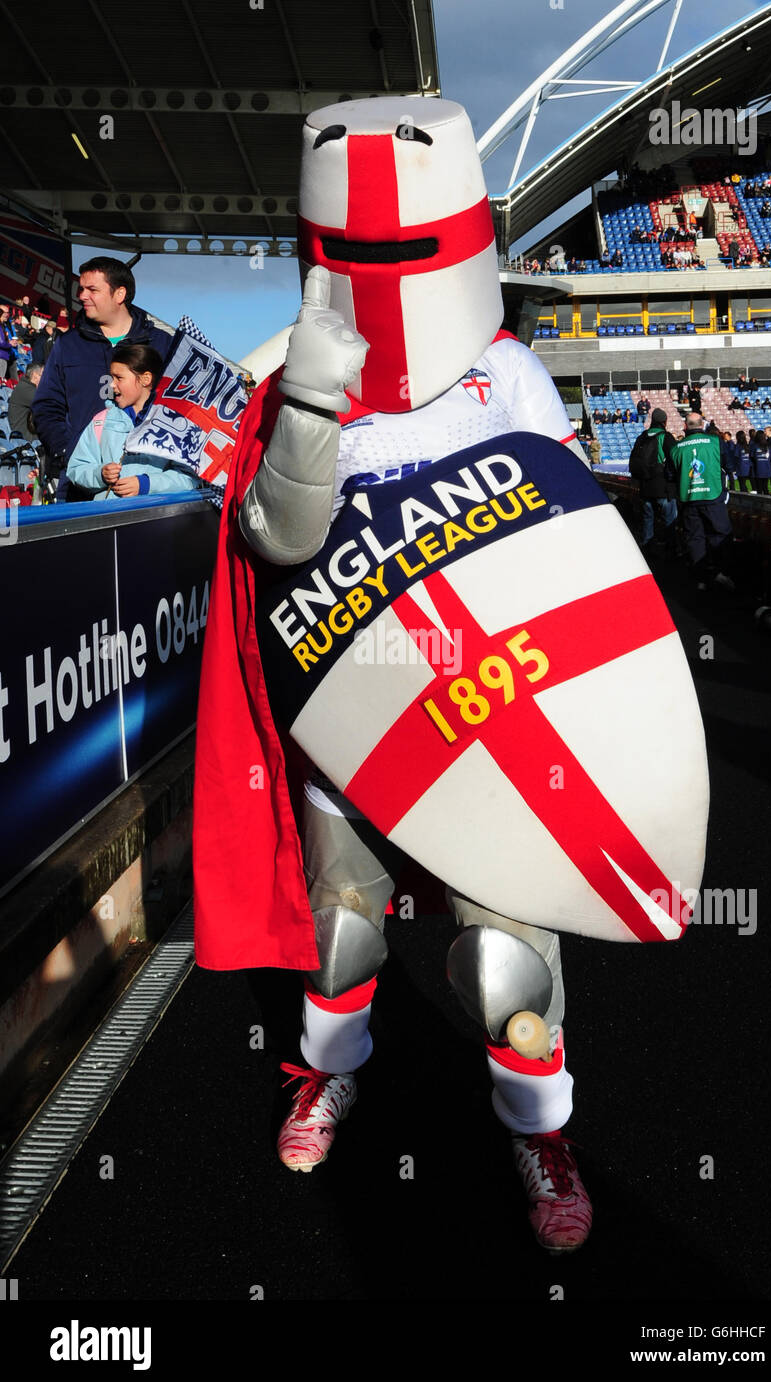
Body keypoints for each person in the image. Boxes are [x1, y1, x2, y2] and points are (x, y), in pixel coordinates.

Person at [195, 96, 611, 1257]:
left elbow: (574, 538)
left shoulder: (506, 372)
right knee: (342, 938)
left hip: (487, 720)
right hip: (350, 715)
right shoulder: (295, 382)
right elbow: (274, 544)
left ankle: (541, 1133)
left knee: (504, 960)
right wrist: (313, 404)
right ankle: (326, 1080)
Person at [32, 257, 172, 500]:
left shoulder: (161, 344)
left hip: (148, 485)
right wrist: (69, 452)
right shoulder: (68, 344)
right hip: (80, 485)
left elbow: (180, 405)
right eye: (81, 289)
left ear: (119, 294)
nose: (82, 296)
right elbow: (46, 406)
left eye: (92, 289)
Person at [66, 344, 200, 501]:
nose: (111, 384)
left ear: (145, 379)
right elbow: (76, 468)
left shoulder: (176, 424)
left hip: (157, 519)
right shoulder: (101, 421)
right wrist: (100, 474)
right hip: (107, 518)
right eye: (111, 377)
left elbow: (189, 477)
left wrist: (146, 484)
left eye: (119, 378)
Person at [668, 414, 733, 588]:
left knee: (695, 538)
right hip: (713, 495)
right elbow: (729, 464)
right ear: (702, 425)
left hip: (689, 498)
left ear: (685, 426)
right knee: (720, 534)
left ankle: (701, 578)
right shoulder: (715, 441)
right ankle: (721, 572)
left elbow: (669, 474)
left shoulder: (677, 447)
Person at [627, 407, 677, 554]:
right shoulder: (665, 437)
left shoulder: (642, 436)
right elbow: (675, 458)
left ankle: (648, 546)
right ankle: (671, 548)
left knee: (648, 518)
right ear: (664, 421)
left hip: (645, 486)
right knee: (670, 519)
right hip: (663, 486)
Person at [7, 363, 43, 441]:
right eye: (42, 375)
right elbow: (47, 404)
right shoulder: (26, 389)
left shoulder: (26, 386)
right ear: (34, 375)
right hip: (24, 437)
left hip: (28, 434)